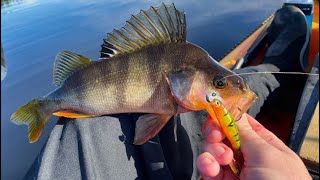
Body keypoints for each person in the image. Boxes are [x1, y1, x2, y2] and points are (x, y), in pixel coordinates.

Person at [24, 5, 313, 180]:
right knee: (83, 129)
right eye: (219, 85)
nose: (221, 90)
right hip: (80, 96)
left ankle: (275, 66)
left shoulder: (182, 83)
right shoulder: (176, 85)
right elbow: (143, 131)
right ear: (180, 77)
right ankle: (277, 67)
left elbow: (144, 130)